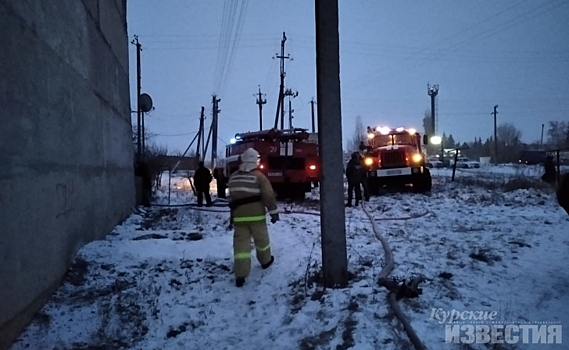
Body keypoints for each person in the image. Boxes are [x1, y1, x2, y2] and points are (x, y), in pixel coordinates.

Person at [228, 148, 279, 287]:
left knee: (241, 246)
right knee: (262, 241)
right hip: (256, 217)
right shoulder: (259, 177)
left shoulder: (234, 177)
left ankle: (240, 274)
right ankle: (265, 261)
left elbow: (232, 194)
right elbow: (268, 196)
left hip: (239, 217)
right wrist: (274, 213)